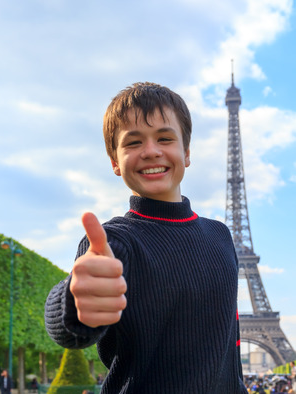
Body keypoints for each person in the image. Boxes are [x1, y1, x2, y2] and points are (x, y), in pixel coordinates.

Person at [45, 82, 247, 393]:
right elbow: (76, 330)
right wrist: (73, 302)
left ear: (187, 152)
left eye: (165, 138)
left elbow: (227, 349)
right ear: (115, 162)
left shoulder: (220, 235)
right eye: (133, 142)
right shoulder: (113, 242)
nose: (151, 151)